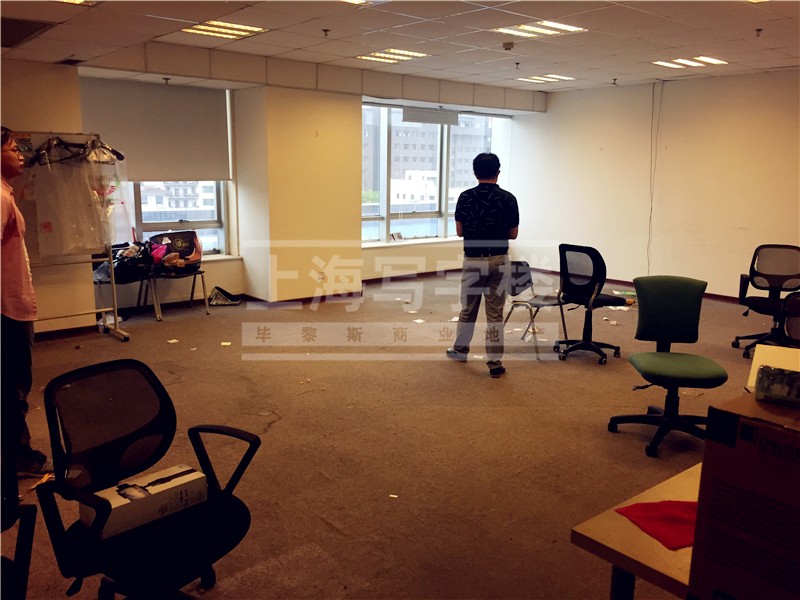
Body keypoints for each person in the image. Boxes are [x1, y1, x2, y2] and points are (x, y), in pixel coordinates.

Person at [1, 126, 49, 527]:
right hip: (6, 312)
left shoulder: (6, 194)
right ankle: (17, 458)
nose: (20, 154)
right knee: (12, 386)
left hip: (12, 307)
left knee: (12, 385)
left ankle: (14, 454)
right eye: (12, 148)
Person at [446, 153, 519, 378]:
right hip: (499, 260)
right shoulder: (508, 199)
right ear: (498, 172)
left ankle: (460, 351)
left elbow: (460, 231)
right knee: (495, 314)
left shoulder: (465, 197)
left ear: (475, 173)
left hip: (473, 261)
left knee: (468, 309)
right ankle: (494, 363)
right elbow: (513, 234)